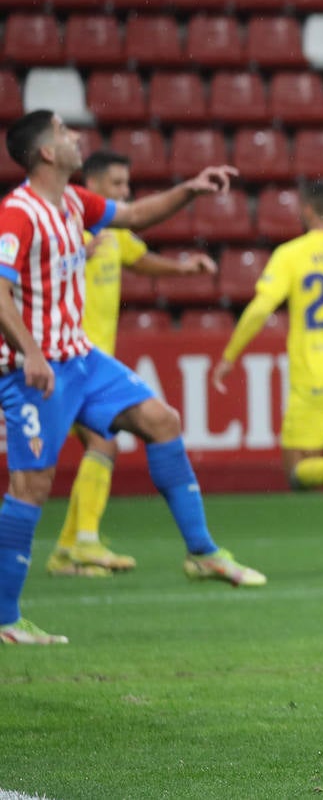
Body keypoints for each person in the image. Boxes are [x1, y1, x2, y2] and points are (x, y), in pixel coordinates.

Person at [0, 111, 265, 646]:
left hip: (81, 356)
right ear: (46, 153)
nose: (75, 137)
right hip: (36, 367)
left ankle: (202, 552)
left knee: (162, 421)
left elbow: (137, 216)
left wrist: (189, 189)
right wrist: (29, 352)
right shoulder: (18, 213)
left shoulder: (75, 202)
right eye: (63, 133)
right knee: (31, 485)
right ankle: (6, 618)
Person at [45, 150, 218, 578]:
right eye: (118, 184)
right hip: (63, 357)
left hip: (94, 361)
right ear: (95, 183)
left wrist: (182, 269)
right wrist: (77, 257)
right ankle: (81, 543)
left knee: (100, 445)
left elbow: (138, 258)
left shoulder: (112, 229)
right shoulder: (66, 224)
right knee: (100, 444)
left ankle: (70, 547)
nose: (125, 192)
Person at [210, 180, 323, 575]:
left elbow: (259, 309)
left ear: (306, 210)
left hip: (314, 374)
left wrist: (229, 356)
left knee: (297, 473)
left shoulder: (292, 254)